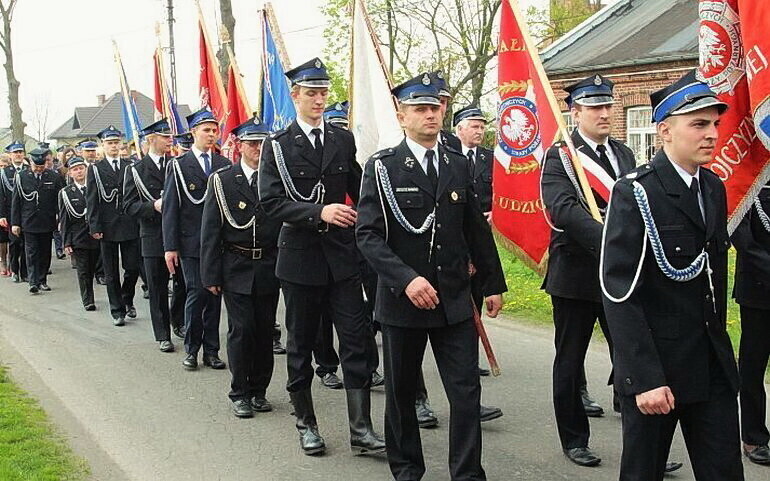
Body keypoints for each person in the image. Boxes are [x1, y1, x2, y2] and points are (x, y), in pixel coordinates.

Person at [356, 72, 506, 481]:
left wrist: (492, 283)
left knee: (466, 392)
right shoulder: (383, 167)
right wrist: (405, 279)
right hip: (404, 301)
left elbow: (475, 229)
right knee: (402, 393)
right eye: (419, 109)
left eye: (435, 107)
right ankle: (406, 469)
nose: (430, 115)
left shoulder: (457, 164)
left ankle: (467, 473)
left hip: (454, 300)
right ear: (402, 116)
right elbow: (368, 235)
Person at [601, 70, 743, 481]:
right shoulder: (636, 192)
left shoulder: (712, 187)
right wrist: (644, 377)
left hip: (710, 364)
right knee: (643, 472)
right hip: (656, 369)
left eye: (715, 123)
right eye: (699, 124)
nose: (712, 133)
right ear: (663, 130)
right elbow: (618, 292)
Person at [258, 57, 385, 456]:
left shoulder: (342, 140)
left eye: (322, 92)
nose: (318, 99)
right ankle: (306, 423)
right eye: (310, 93)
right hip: (299, 260)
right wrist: (319, 212)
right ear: (295, 96)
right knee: (300, 345)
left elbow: (362, 191)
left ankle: (361, 429)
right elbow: (270, 202)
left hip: (342, 259)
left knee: (357, 342)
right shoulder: (276, 145)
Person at [540, 74, 636, 467]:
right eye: (595, 106)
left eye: (607, 105)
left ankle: (643, 443)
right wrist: (610, 243)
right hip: (577, 275)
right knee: (570, 360)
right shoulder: (560, 156)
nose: (604, 113)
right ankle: (574, 438)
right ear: (575, 112)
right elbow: (562, 209)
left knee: (632, 358)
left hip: (621, 276)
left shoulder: (624, 155)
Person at [201, 117, 282, 418]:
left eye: (263, 143)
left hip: (269, 265)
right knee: (242, 330)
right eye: (252, 143)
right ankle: (240, 392)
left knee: (265, 331)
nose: (258, 149)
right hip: (235, 265)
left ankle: (259, 390)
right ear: (238, 145)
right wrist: (210, 274)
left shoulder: (275, 180)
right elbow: (210, 231)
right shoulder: (222, 180)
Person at [163, 108, 229, 371]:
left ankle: (211, 351)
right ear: (193, 133)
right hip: (190, 243)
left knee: (214, 295)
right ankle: (192, 349)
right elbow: (170, 209)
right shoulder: (179, 166)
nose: (211, 135)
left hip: (218, 244)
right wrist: (170, 247)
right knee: (196, 293)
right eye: (206, 130)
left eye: (214, 130)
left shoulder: (224, 165)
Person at [124, 118, 184, 352]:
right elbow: (129, 206)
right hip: (152, 235)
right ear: (151, 140)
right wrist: (153, 206)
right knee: (157, 287)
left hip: (178, 235)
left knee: (183, 284)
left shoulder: (177, 164)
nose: (170, 140)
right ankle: (162, 334)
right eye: (165, 136)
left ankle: (177, 320)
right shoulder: (136, 170)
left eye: (170, 136)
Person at [731, 182, 770, 465]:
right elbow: (742, 240)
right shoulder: (748, 184)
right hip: (758, 292)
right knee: (753, 367)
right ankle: (753, 436)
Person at [86, 126, 141, 326]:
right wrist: (94, 226)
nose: (114, 146)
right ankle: (117, 310)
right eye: (109, 143)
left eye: (116, 142)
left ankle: (127, 298)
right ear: (103, 145)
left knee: (133, 268)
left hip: (129, 224)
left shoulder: (131, 166)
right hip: (107, 226)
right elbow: (91, 199)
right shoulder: (96, 169)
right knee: (110, 272)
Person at [10, 148, 65, 293]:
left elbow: (60, 200)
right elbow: (16, 201)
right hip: (28, 221)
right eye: (36, 167)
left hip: (47, 221)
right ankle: (33, 282)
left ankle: (42, 280)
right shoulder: (21, 176)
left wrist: (60, 218)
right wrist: (15, 223)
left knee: (45, 252)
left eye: (42, 167)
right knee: (31, 252)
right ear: (31, 163)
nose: (39, 170)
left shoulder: (53, 176)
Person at [59, 156, 99, 310]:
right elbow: (64, 219)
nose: (79, 171)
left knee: (93, 268)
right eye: (75, 169)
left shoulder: (95, 187)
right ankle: (88, 299)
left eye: (81, 168)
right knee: (83, 270)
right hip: (78, 237)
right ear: (70, 173)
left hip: (95, 235)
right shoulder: (66, 193)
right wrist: (66, 242)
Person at [0, 141, 28, 282]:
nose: (18, 155)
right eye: (15, 152)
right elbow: (1, 195)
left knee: (26, 243)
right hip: (12, 213)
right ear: (10, 155)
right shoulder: (5, 172)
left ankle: (25, 272)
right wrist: (2, 215)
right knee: (14, 243)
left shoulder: (28, 169)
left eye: (20, 152)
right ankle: (14, 271)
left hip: (27, 213)